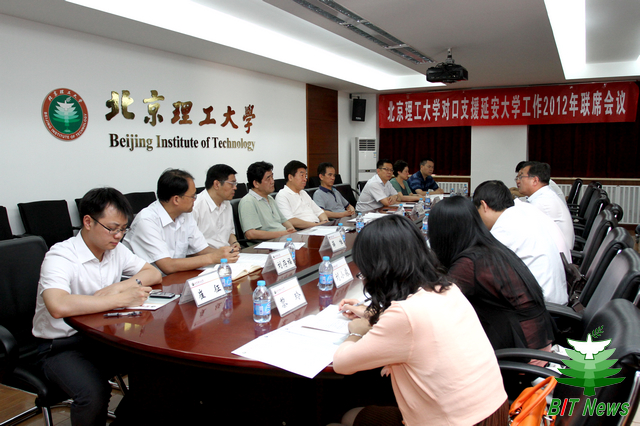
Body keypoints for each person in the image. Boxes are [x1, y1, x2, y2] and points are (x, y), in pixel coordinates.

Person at [333, 215, 508, 426]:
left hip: (455, 422)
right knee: (353, 415)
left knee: (343, 419)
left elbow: (342, 364)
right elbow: (417, 326)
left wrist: (356, 332)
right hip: (494, 413)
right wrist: (370, 313)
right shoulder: (447, 288)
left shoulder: (405, 316)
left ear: (378, 269)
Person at [32, 187, 162, 426]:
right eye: (112, 228)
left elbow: (152, 273)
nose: (118, 236)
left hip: (103, 337)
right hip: (60, 346)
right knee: (93, 394)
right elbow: (57, 305)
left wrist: (119, 287)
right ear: (88, 222)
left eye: (123, 229)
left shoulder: (115, 250)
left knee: (157, 368)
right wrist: (120, 299)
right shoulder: (61, 256)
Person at [428, 196, 555, 352]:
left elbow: (436, 307)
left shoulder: (469, 264)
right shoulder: (489, 248)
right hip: (533, 341)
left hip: (520, 352)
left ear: (442, 233)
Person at [124, 169, 238, 275]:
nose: (195, 200)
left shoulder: (185, 214)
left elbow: (201, 249)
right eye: (192, 196)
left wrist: (225, 253)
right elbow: (167, 265)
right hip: (144, 284)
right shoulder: (147, 221)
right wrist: (212, 258)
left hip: (175, 278)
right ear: (176, 199)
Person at [473, 180, 569, 304]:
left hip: (542, 306)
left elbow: (480, 266)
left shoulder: (505, 226)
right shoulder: (519, 214)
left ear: (484, 205)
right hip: (551, 299)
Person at [516, 161, 575, 250]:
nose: (518, 181)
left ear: (535, 180)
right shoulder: (544, 195)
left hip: (557, 254)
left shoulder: (543, 202)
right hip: (553, 249)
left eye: (521, 177)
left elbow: (519, 228)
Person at [239, 161, 296, 240]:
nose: (272, 181)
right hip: (267, 243)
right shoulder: (248, 201)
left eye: (272, 177)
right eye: (268, 178)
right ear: (256, 183)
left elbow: (284, 221)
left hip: (282, 239)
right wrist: (283, 234)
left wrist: (292, 230)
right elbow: (251, 234)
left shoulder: (270, 198)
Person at [192, 164, 242, 252]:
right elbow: (191, 247)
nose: (235, 188)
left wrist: (234, 243)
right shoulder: (195, 206)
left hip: (227, 254)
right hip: (206, 257)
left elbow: (230, 233)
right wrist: (219, 253)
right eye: (232, 184)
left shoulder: (227, 204)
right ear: (216, 184)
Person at [275, 160, 329, 229]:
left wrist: (325, 222)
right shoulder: (282, 195)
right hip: (303, 230)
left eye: (305, 176)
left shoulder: (303, 193)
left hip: (317, 227)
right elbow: (290, 220)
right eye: (302, 175)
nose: (305, 179)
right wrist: (316, 225)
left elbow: (319, 212)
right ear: (290, 177)